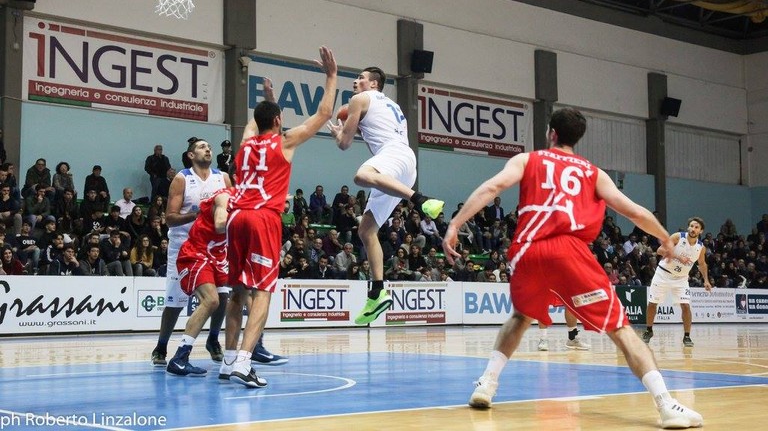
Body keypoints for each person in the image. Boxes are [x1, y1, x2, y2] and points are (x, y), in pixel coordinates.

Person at [442, 108, 703, 428]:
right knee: (621, 330)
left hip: (526, 251)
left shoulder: (529, 159)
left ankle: (487, 383)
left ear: (551, 133)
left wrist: (455, 223)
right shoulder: (593, 173)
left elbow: (492, 188)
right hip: (569, 252)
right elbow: (634, 211)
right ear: (576, 139)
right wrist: (666, 239)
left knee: (521, 316)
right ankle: (666, 405)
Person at [221, 46, 337, 388]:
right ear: (277, 121)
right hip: (262, 219)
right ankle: (244, 361)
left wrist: (267, 99)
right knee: (263, 291)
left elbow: (255, 120)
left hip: (235, 216)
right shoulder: (284, 143)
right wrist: (331, 76)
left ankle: (228, 362)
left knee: (237, 291)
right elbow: (324, 112)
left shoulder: (244, 144)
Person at [327, 65, 444, 325]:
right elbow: (372, 132)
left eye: (361, 78)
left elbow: (345, 145)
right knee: (366, 230)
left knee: (361, 176)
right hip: (404, 161)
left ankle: (421, 201)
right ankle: (377, 292)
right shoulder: (393, 106)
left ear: (374, 84)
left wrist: (339, 133)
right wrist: (353, 126)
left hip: (392, 157)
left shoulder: (358, 100)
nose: (355, 82)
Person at [150, 138, 231, 367]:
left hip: (214, 246)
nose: (208, 149)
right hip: (185, 244)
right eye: (202, 147)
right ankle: (162, 346)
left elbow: (233, 209)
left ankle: (213, 340)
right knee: (176, 300)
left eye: (209, 147)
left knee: (223, 294)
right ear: (190, 155)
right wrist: (199, 215)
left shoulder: (222, 178)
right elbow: (170, 218)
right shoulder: (181, 178)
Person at [166, 188, 233, 376]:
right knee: (211, 300)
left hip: (218, 257)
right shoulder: (224, 197)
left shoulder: (250, 202)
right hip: (196, 254)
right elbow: (221, 224)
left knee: (231, 295)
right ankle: (179, 358)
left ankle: (225, 346)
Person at [643, 217, 711, 347]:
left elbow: (702, 264)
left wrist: (706, 280)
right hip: (663, 274)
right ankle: (649, 330)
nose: (693, 229)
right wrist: (679, 256)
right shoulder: (678, 237)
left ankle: (687, 336)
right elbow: (660, 250)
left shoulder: (700, 248)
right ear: (688, 227)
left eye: (696, 227)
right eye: (691, 226)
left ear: (701, 231)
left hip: (681, 279)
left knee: (685, 306)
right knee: (653, 303)